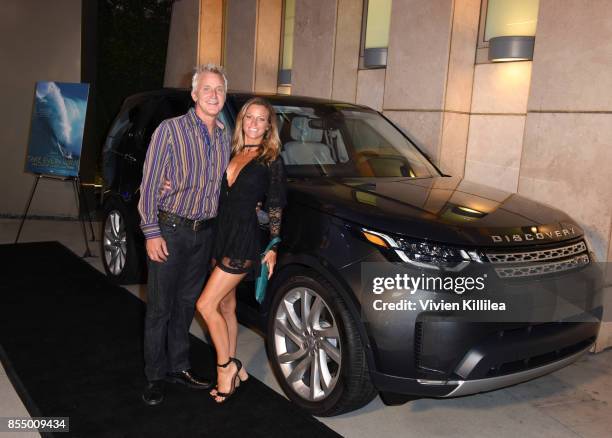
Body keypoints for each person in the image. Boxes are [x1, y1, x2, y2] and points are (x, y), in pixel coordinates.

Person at [137, 64, 231, 406]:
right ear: (194, 95)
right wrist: (151, 232)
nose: (213, 95)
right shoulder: (170, 130)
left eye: (219, 90)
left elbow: (223, 186)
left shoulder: (224, 135)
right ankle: (154, 376)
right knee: (160, 308)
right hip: (170, 230)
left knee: (185, 305)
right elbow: (149, 185)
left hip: (203, 234)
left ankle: (179, 367)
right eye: (207, 89)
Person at [195, 97, 287, 403]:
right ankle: (236, 364)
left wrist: (273, 246)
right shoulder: (230, 151)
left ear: (268, 126)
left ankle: (226, 368)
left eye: (261, 119)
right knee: (225, 307)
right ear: (242, 120)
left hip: (244, 241)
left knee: (205, 305)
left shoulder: (271, 160)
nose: (254, 123)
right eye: (250, 117)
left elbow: (275, 207)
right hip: (220, 235)